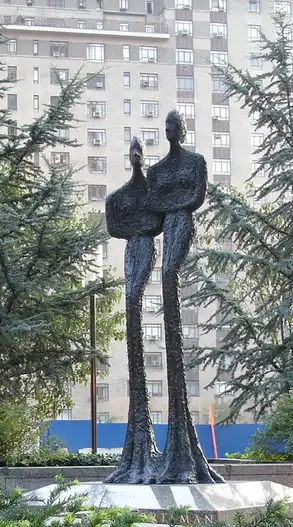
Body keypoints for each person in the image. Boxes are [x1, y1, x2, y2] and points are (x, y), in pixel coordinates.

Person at [145, 109, 223, 484]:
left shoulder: (196, 161)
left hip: (182, 224)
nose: (169, 131)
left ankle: (185, 451)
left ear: (183, 130)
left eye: (173, 126)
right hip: (170, 222)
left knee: (169, 274)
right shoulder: (157, 170)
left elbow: (195, 196)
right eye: (166, 127)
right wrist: (172, 200)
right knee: (165, 277)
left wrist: (173, 200)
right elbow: (154, 203)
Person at [103, 138, 163, 484]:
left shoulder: (151, 192)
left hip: (145, 247)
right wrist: (138, 226)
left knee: (135, 298)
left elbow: (156, 221)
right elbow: (114, 226)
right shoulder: (118, 197)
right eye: (133, 153)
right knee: (130, 301)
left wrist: (140, 227)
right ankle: (136, 452)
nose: (137, 157)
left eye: (140, 152)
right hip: (132, 249)